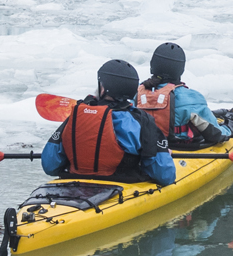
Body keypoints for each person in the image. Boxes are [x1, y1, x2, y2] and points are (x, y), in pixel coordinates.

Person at [41, 60, 175, 185]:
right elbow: (165, 175)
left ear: (103, 88)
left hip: (75, 186)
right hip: (121, 184)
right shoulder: (141, 120)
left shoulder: (77, 115)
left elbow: (50, 166)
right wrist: (163, 154)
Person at [135, 42, 233, 149]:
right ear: (181, 70)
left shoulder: (136, 94)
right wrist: (232, 127)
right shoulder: (192, 98)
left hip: (145, 147)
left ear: (152, 66)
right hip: (179, 148)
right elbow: (216, 133)